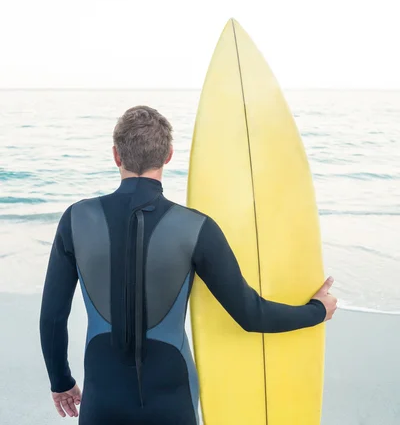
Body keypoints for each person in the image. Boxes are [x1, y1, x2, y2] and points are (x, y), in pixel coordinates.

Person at [40, 106, 337, 424]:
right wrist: (317, 310)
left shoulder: (76, 219)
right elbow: (251, 314)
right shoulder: (196, 227)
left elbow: (53, 318)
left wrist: (62, 382)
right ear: (168, 155)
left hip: (102, 398)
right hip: (172, 398)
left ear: (116, 155)